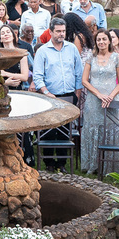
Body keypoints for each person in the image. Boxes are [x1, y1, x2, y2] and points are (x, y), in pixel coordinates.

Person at [33, 18, 83, 172]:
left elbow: (78, 72)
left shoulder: (72, 48)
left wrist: (77, 93)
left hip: (68, 96)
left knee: (64, 131)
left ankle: (61, 163)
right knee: (48, 131)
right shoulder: (42, 51)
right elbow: (37, 76)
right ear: (51, 32)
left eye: (63, 31)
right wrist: (47, 93)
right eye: (58, 31)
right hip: (49, 97)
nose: (62, 34)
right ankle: (48, 164)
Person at [81, 29, 119, 177]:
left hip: (111, 101)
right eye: (98, 40)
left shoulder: (116, 58)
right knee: (93, 129)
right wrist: (99, 94)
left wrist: (110, 96)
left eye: (104, 39)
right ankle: (92, 165)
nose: (101, 42)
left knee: (110, 129)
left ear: (109, 41)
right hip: (93, 100)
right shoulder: (90, 57)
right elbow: (84, 81)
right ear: (95, 42)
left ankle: (110, 167)